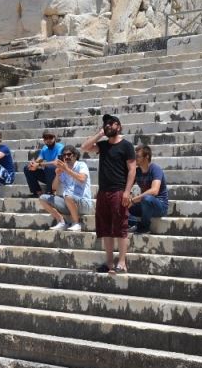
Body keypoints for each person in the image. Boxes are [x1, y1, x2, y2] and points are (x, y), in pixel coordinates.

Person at [81, 114, 136, 274]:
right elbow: (85, 147)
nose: (108, 125)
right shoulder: (103, 145)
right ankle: (109, 263)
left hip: (119, 191)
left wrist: (127, 191)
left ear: (119, 126)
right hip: (103, 192)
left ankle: (122, 263)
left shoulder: (126, 146)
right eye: (106, 124)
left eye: (111, 123)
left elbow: (132, 170)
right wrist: (99, 134)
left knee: (120, 227)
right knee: (105, 228)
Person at [38, 146, 93, 232]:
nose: (66, 157)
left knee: (68, 196)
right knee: (43, 198)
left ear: (75, 155)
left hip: (83, 203)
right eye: (64, 155)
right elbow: (54, 188)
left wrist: (66, 170)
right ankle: (61, 221)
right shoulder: (63, 169)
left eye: (69, 154)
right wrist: (57, 175)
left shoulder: (81, 165)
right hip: (68, 202)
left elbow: (82, 178)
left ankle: (76, 223)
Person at [128, 145, 168, 234]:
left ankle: (145, 226)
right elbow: (127, 187)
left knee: (147, 198)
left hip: (159, 206)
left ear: (147, 157)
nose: (135, 159)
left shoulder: (155, 169)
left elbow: (154, 191)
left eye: (138, 156)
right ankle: (135, 223)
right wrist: (127, 196)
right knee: (121, 201)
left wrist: (133, 200)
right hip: (144, 205)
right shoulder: (137, 171)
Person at [24, 130, 64, 197]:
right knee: (27, 168)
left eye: (50, 137)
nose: (48, 140)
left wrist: (39, 164)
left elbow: (57, 162)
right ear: (44, 140)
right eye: (46, 138)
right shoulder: (44, 148)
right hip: (48, 176)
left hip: (58, 177)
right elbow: (39, 159)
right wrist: (33, 164)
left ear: (54, 138)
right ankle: (37, 192)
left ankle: (50, 192)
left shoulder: (60, 147)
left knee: (49, 167)